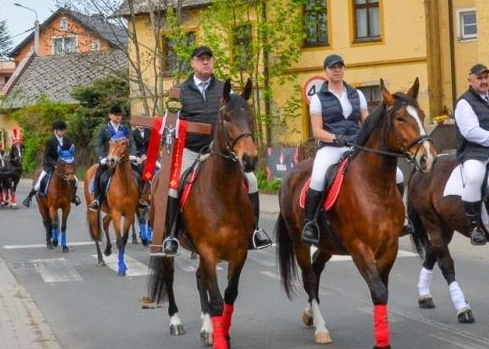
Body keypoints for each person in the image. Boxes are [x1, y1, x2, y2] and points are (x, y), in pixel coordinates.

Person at [155, 45, 272, 252]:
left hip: (218, 150)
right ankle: (171, 235)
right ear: (193, 63)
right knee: (174, 185)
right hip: (190, 150)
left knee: (252, 180)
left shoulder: (225, 90)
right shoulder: (179, 92)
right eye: (201, 59)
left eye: (209, 59)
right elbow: (168, 123)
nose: (205, 62)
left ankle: (254, 231)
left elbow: (238, 114)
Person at [301, 55, 368, 246]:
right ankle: (310, 224)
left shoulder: (357, 94)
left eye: (340, 67)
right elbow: (317, 131)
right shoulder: (318, 99)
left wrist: (365, 138)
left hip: (356, 145)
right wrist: (336, 138)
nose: (337, 70)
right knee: (318, 178)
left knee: (396, 174)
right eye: (333, 68)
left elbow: (366, 122)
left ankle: (399, 216)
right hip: (331, 147)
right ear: (326, 71)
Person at [453, 62, 489, 245]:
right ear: (470, 80)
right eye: (480, 78)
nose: (484, 81)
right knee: (474, 177)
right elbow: (470, 132)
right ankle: (474, 228)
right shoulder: (464, 103)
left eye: (486, 77)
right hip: (475, 152)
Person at [24, 119, 77, 206]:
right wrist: (55, 164)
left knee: (75, 181)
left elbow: (70, 154)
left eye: (63, 130)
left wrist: (70, 162)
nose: (62, 131)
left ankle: (74, 197)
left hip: (64, 167)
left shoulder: (67, 140)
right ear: (55, 131)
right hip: (51, 166)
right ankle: (29, 196)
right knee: (40, 181)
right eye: (60, 130)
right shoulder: (50, 141)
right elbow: (47, 156)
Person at [89, 105, 132, 209]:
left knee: (137, 173)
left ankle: (139, 198)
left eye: (119, 115)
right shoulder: (104, 129)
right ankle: (97, 199)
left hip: (123, 159)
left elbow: (132, 142)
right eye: (115, 115)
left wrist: (133, 155)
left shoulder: (125, 128)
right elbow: (98, 144)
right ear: (110, 116)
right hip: (108, 159)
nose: (118, 117)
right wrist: (102, 157)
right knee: (98, 175)